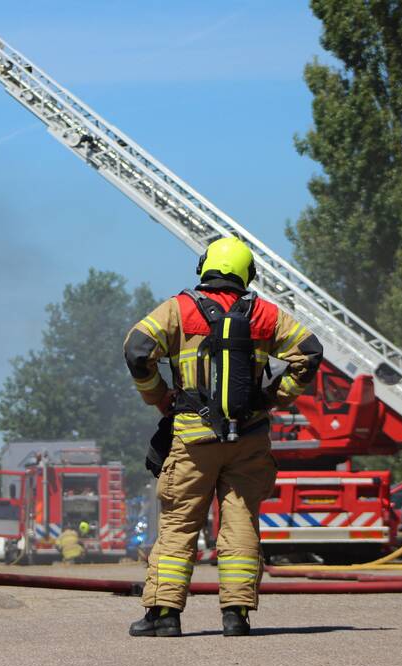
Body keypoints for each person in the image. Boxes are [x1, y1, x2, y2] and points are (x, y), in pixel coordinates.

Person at [123, 237, 322, 637]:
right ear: (247, 274)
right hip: (249, 439)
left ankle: (164, 617)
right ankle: (236, 615)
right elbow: (310, 351)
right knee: (241, 522)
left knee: (180, 525)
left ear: (205, 268)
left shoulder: (179, 310)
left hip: (194, 438)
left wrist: (158, 396)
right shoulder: (264, 313)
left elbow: (137, 349)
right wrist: (273, 397)